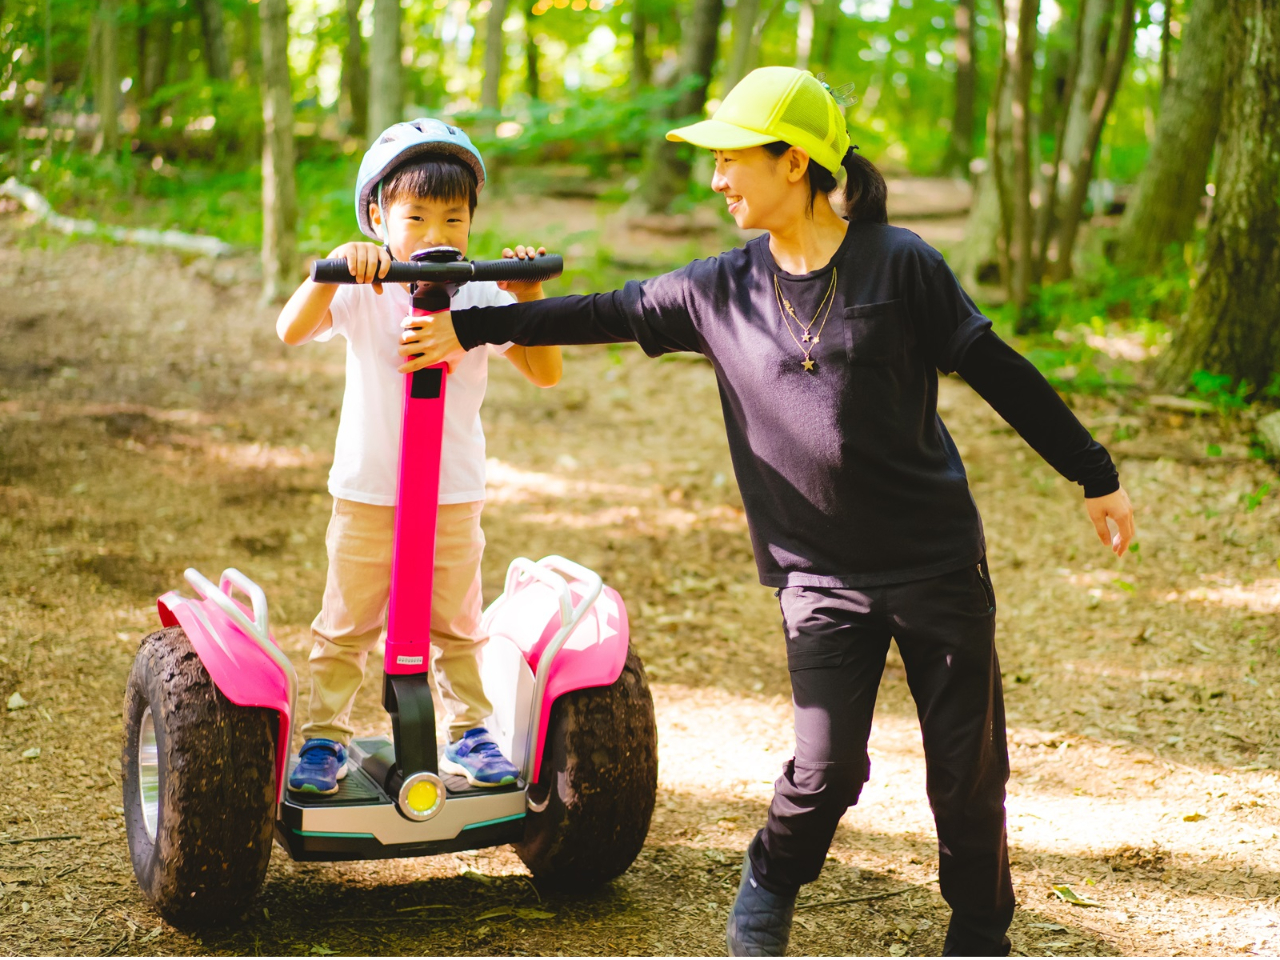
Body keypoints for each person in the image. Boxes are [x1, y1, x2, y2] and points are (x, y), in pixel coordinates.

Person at [400, 69, 1135, 956]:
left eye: (731, 159)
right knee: (827, 773)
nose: (716, 179)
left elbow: (997, 367)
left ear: (795, 163)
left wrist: (1091, 471)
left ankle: (980, 934)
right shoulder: (721, 289)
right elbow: (604, 311)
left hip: (938, 565)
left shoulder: (901, 266)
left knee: (967, 780)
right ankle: (772, 877)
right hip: (818, 578)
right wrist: (475, 329)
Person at [274, 119, 562, 795]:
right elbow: (290, 330)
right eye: (417, 215)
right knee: (345, 623)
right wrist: (335, 268)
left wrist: (527, 296)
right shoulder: (362, 287)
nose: (438, 232)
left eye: (455, 217)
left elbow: (545, 372)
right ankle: (325, 737)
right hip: (369, 489)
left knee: (458, 623)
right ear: (378, 217)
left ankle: (469, 731)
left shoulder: (484, 292)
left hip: (452, 492)